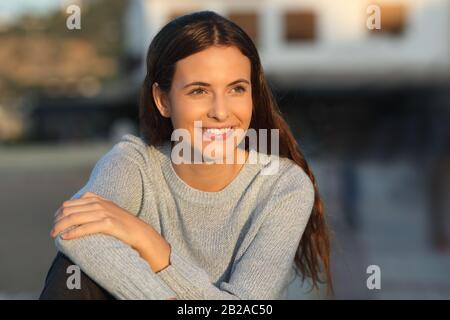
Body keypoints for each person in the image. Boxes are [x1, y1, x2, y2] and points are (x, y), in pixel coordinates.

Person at [39, 10, 333, 300]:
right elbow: (75, 232)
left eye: (236, 89)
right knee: (72, 274)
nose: (220, 112)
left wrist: (151, 245)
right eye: (198, 91)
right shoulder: (134, 163)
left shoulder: (282, 185)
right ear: (163, 100)